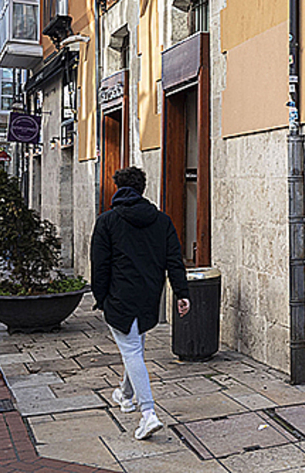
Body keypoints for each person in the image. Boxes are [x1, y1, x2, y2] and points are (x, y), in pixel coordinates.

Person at [90, 167, 190, 440]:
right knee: (134, 346)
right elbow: (174, 260)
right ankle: (124, 394)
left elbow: (99, 265)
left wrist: (100, 298)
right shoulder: (162, 221)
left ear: (117, 189)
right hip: (149, 296)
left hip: (120, 298)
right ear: (142, 189)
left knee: (132, 350)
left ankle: (148, 414)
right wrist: (182, 293)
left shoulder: (107, 221)